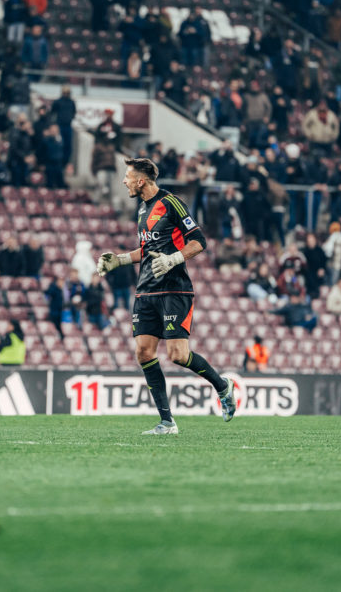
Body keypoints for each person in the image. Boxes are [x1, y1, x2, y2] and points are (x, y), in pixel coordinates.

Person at [95, 158, 236, 435]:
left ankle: (222, 386)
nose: (124, 181)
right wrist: (120, 260)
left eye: (127, 177)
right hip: (146, 290)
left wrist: (173, 259)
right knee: (143, 352)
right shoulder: (142, 209)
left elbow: (199, 241)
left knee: (178, 355)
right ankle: (167, 422)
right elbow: (146, 250)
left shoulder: (171, 203)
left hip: (174, 288)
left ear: (141, 181)